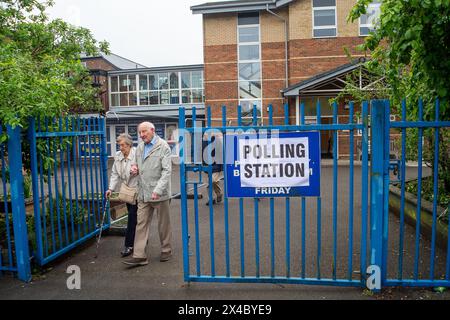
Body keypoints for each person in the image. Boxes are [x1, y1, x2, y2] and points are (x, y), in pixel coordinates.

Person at [123, 122, 173, 267]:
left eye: (144, 132)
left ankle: (166, 250)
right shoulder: (140, 147)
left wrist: (157, 190)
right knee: (141, 224)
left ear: (152, 130)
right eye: (140, 133)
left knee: (163, 224)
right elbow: (135, 163)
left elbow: (167, 171)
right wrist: (134, 168)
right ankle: (139, 256)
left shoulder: (163, 146)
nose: (142, 135)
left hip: (159, 193)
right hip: (143, 192)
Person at [105, 133, 138, 257]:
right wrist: (110, 189)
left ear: (129, 145)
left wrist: (138, 170)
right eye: (119, 145)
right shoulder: (118, 156)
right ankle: (140, 239)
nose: (121, 147)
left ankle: (129, 245)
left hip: (138, 190)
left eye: (123, 145)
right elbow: (115, 174)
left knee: (132, 218)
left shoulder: (137, 154)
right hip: (127, 191)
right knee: (135, 218)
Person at [202, 133, 224, 206]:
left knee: (212, 181)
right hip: (207, 166)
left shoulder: (217, 142)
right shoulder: (203, 143)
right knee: (209, 183)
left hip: (216, 166)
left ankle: (219, 193)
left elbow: (221, 154)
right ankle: (211, 199)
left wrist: (221, 167)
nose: (204, 135)